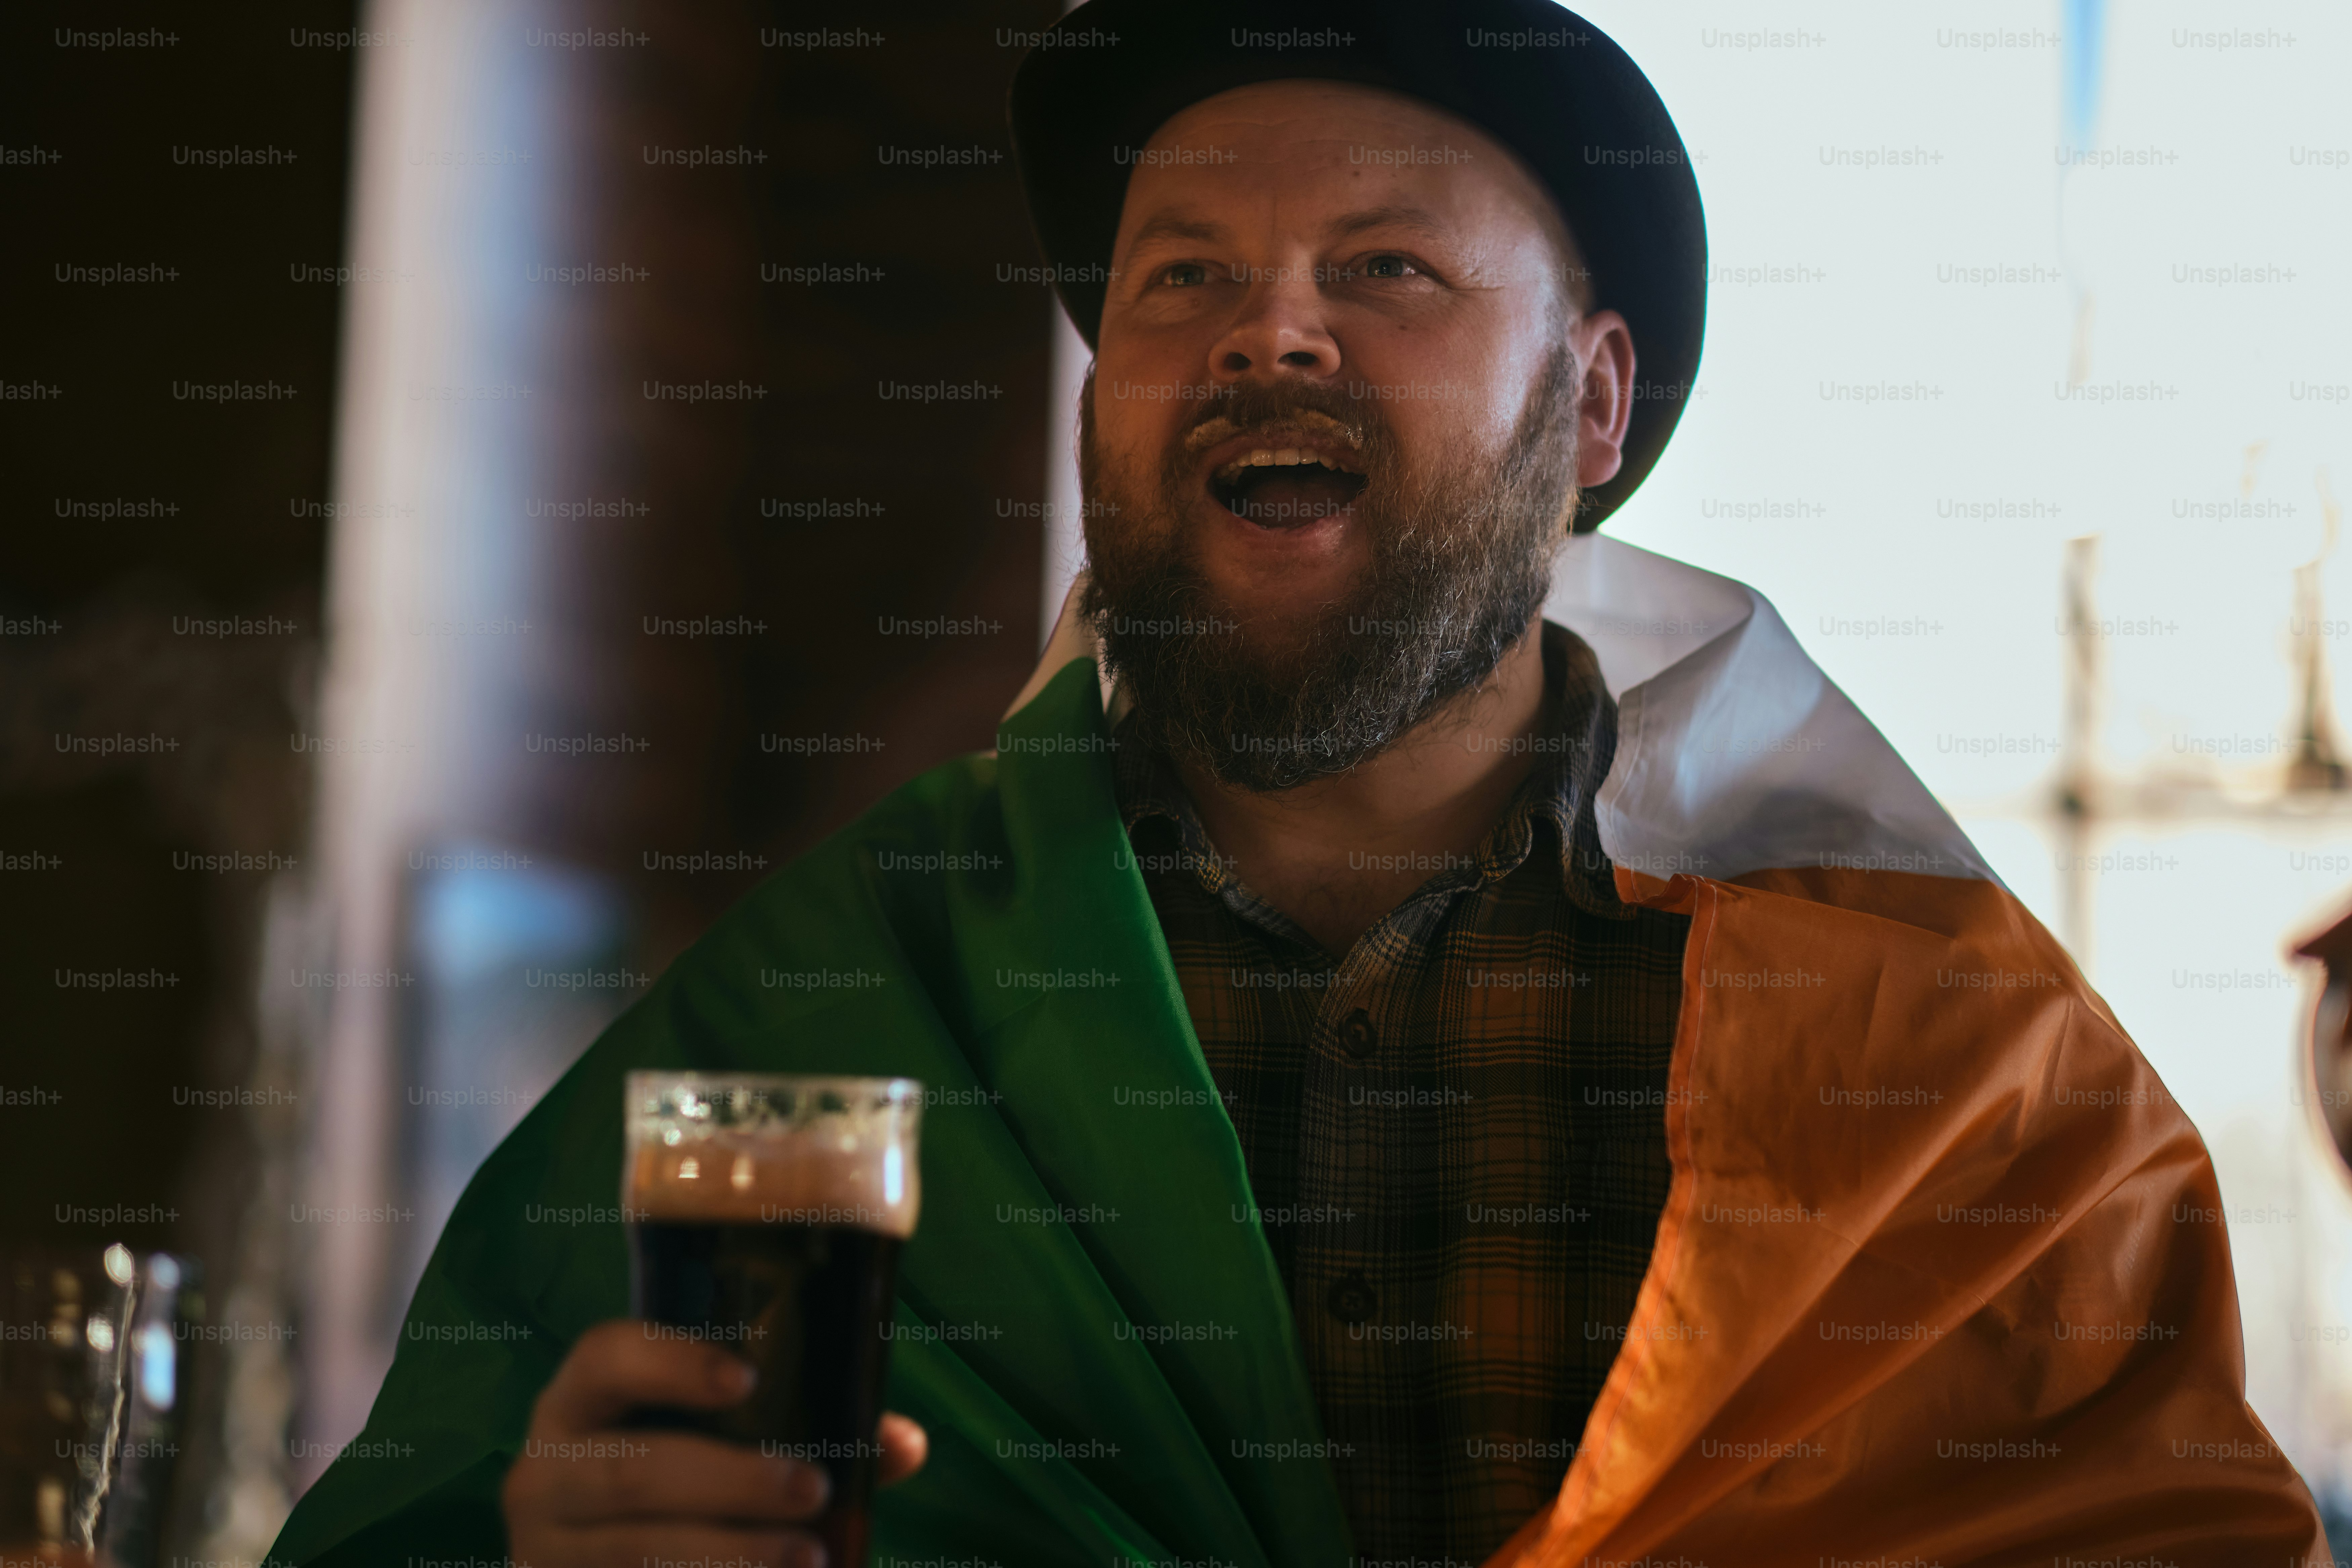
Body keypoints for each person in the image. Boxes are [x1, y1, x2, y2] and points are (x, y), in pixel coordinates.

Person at [271, 3, 2329, 1565]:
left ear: (1590, 404)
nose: (1272, 334)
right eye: (1180, 278)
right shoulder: (816, 1017)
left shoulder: (1953, 1072)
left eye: (1389, 272)